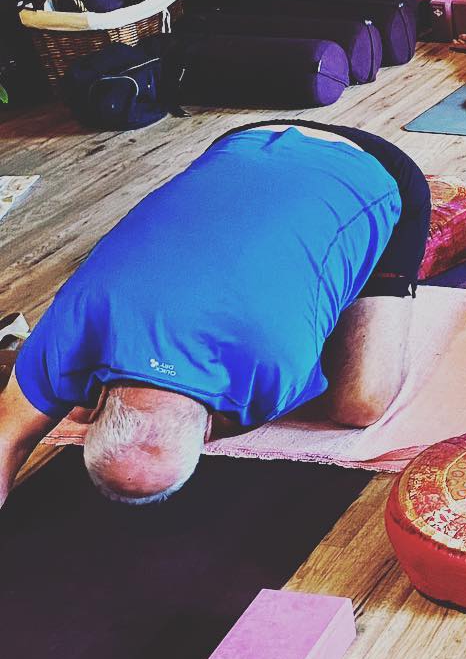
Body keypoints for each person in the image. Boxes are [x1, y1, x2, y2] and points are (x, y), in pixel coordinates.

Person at [0, 121, 430, 510]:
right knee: (60, 402)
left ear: (211, 434)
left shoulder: (272, 369)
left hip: (375, 171)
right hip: (242, 143)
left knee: (358, 404)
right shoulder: (67, 334)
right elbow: (6, 437)